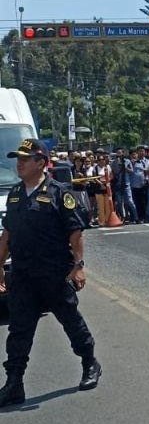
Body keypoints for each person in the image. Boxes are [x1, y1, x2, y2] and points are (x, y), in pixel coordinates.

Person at [0, 139, 101, 407]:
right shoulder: (15, 194)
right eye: (17, 158)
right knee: (19, 329)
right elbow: (7, 234)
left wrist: (78, 267)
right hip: (22, 274)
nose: (19, 163)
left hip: (54, 273)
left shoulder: (58, 193)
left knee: (70, 321)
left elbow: (75, 233)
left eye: (25, 158)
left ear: (41, 163)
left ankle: (90, 363)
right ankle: (14, 383)